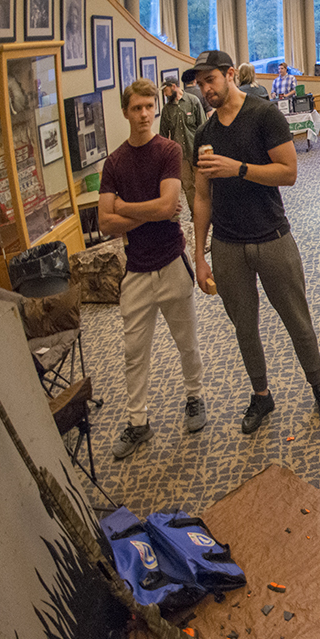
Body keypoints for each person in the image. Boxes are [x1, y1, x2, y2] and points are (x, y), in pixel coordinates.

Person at [188, 50, 320, 433]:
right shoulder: (204, 135)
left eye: (211, 80)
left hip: (271, 235)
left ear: (229, 75)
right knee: (244, 327)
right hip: (226, 244)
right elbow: (201, 197)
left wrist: (237, 169)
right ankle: (261, 395)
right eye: (200, 84)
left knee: (297, 320)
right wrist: (199, 254)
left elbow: (288, 173)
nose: (206, 89)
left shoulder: (263, 114)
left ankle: (318, 385)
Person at [99, 79, 207, 459]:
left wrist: (125, 208)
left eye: (149, 107)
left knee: (187, 343)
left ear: (155, 109)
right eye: (137, 108)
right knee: (134, 352)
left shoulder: (169, 150)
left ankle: (194, 397)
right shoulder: (114, 163)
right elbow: (104, 224)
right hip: (136, 271)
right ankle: (137, 422)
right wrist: (145, 211)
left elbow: (168, 208)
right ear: (126, 112)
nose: (144, 114)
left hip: (172, 262)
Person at [158, 78, 206, 215]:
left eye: (166, 90)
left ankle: (207, 211)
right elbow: (163, 135)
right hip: (180, 156)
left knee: (202, 184)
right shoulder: (167, 110)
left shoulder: (193, 101)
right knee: (188, 185)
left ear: (173, 87)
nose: (165, 94)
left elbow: (202, 127)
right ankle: (195, 213)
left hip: (196, 151)